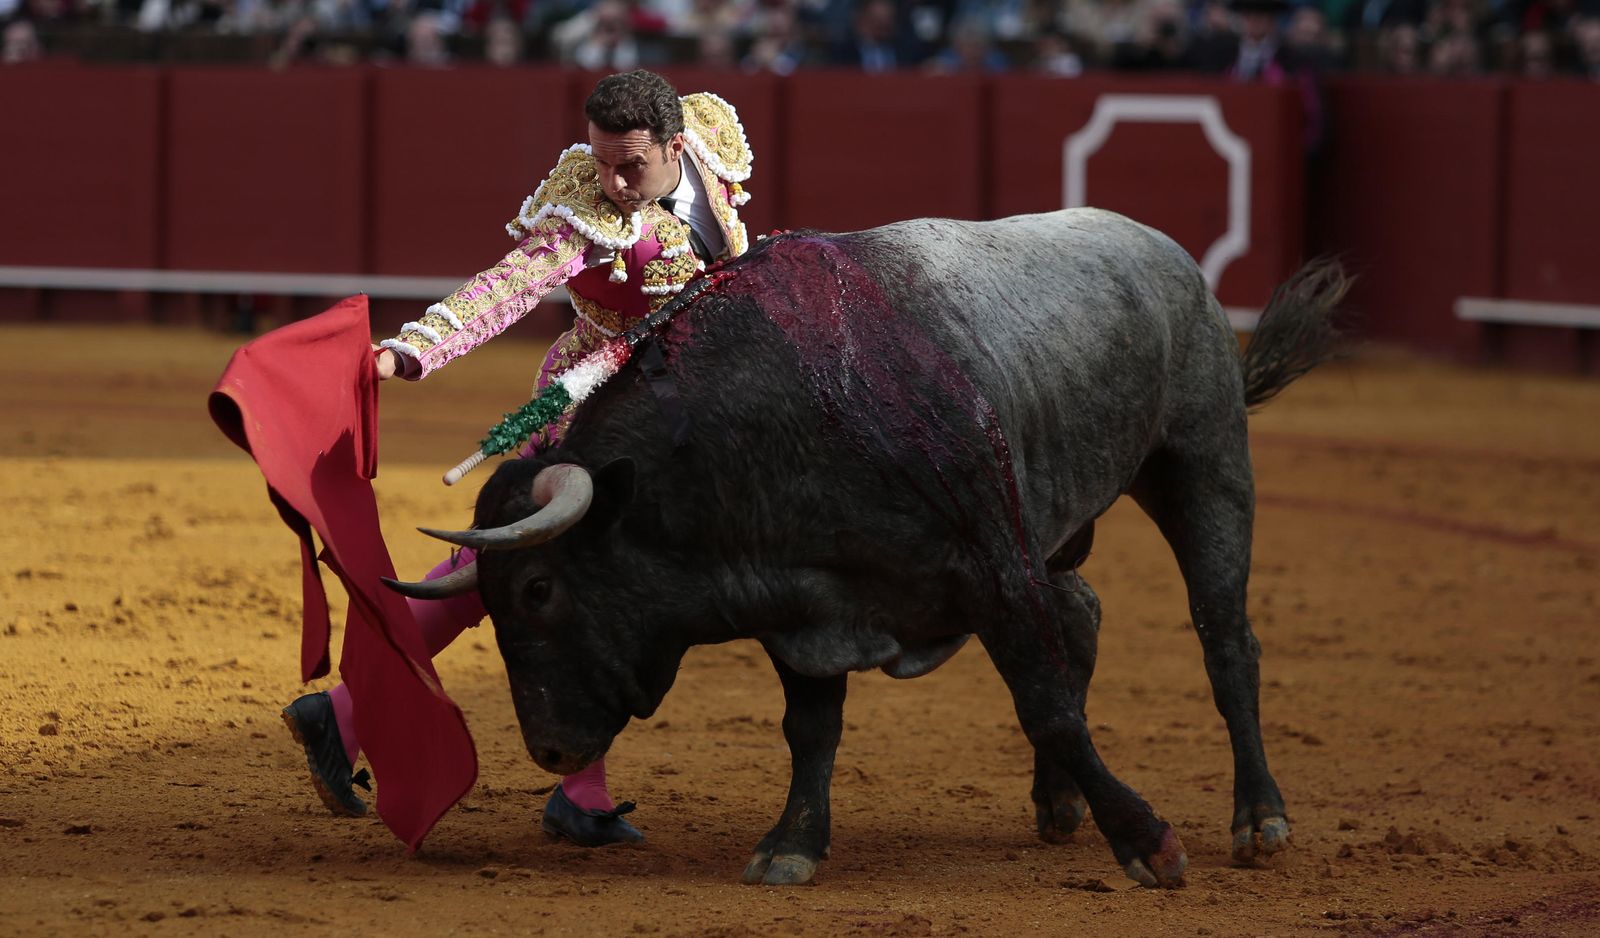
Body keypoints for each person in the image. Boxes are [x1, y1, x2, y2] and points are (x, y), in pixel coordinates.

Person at [281, 69, 756, 848]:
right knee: (521, 582)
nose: (613, 181)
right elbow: (503, 289)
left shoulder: (707, 136)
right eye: (601, 162)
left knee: (577, 587)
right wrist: (409, 353)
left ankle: (562, 785)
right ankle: (348, 715)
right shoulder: (583, 213)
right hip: (588, 420)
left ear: (677, 144)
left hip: (677, 424)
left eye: (630, 165)